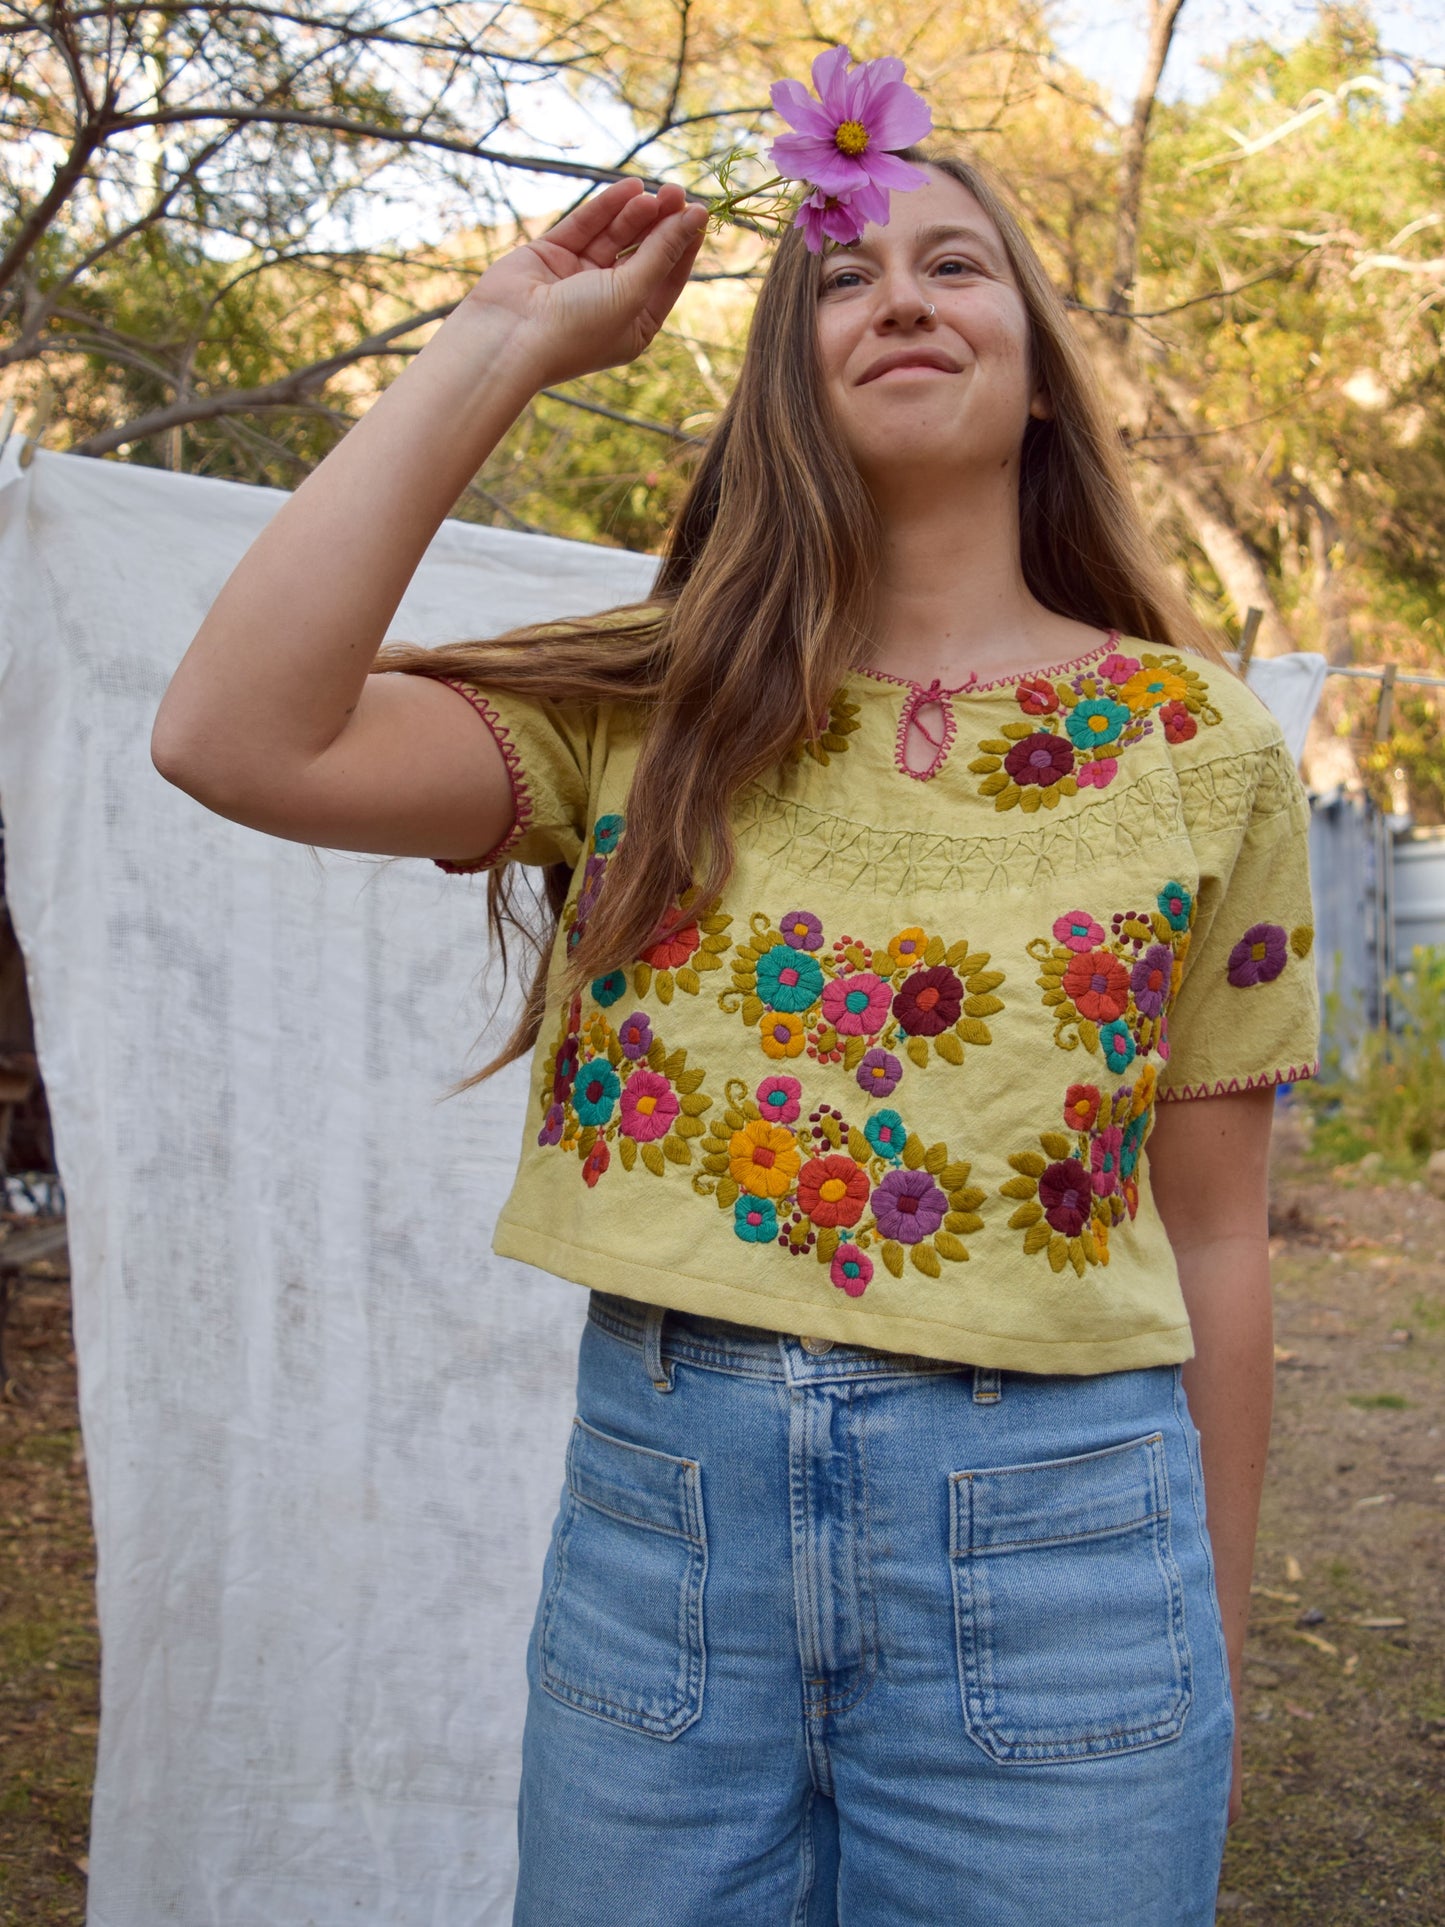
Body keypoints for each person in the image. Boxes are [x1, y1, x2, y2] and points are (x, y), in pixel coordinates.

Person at [152, 148, 1320, 1926]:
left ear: (1033, 365)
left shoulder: (1199, 747)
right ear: (784, 374)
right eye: (843, 277)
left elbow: (1218, 1232)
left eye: (957, 267)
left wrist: (1207, 1654)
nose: (904, 298)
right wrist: (501, 341)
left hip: (1069, 1566)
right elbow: (234, 736)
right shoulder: (657, 706)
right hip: (661, 1552)